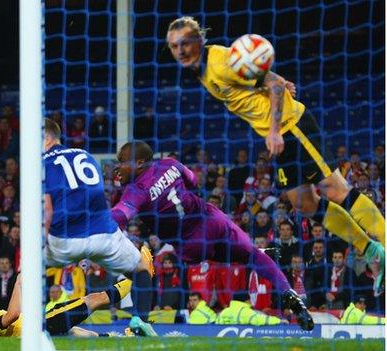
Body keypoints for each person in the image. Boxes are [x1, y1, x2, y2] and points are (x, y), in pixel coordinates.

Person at [165, 16, 385, 294]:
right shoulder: (203, 71)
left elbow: (276, 85)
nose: (180, 50)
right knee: (304, 203)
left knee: (334, 188)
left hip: (291, 127)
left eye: (185, 43)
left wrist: (273, 131)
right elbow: (271, 81)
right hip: (280, 135)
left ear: (199, 40)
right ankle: (372, 250)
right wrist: (275, 85)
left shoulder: (220, 62)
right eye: (174, 46)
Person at [112, 141, 313, 330]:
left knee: (148, 264)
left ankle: (140, 322)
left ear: (139, 163)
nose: (118, 166)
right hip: (212, 218)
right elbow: (192, 181)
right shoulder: (170, 164)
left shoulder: (136, 190)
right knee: (252, 255)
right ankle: (288, 292)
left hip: (191, 243)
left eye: (122, 161)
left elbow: (120, 216)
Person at [42, 119, 157, 336]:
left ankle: (25, 325)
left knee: (26, 272)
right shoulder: (86, 156)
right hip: (104, 233)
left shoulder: (42, 163)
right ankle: (140, 322)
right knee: (141, 268)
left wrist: (41, 242)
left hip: (64, 240)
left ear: (46, 138)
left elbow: (47, 208)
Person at [0, 274, 133, 337]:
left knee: (87, 337)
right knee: (91, 300)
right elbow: (11, 315)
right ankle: (137, 274)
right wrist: (19, 281)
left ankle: (131, 337)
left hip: (41, 328)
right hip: (42, 327)